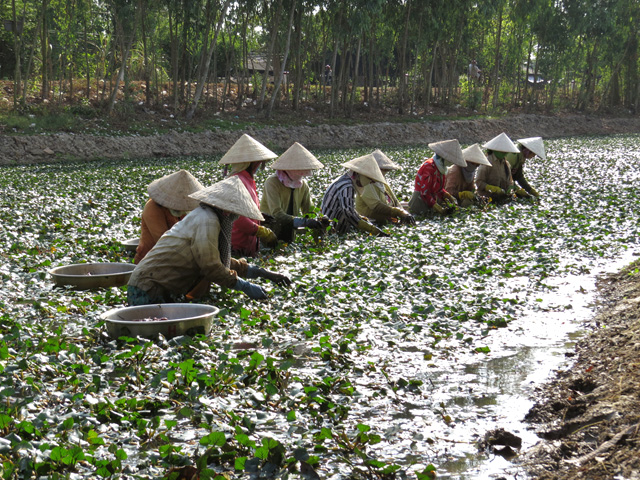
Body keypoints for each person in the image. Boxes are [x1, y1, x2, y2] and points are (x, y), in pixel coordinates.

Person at [127, 176, 291, 306]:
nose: (237, 215)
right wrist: (246, 287)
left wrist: (262, 273)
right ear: (226, 208)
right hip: (147, 289)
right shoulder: (207, 219)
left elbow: (219, 259)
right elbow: (211, 266)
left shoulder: (207, 215)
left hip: (157, 287)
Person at [220, 133, 279, 257]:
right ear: (249, 163)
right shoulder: (236, 181)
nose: (259, 166)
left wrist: (259, 216)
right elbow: (238, 219)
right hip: (236, 247)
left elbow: (246, 208)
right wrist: (261, 231)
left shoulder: (249, 180)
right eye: (257, 163)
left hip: (250, 245)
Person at [260, 142, 328, 242]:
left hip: (290, 234)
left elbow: (309, 210)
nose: (302, 174)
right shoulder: (272, 183)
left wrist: (319, 219)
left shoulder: (303, 185)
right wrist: (304, 222)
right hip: (270, 233)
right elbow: (277, 214)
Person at [134, 169, 204, 264]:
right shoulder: (152, 208)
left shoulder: (182, 206)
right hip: (151, 259)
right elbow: (163, 240)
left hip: (175, 255)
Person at [321, 153, 390, 236]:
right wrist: (372, 229)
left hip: (339, 229)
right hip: (331, 231)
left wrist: (361, 219)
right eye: (369, 179)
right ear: (359, 174)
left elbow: (349, 210)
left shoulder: (346, 181)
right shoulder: (346, 186)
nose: (370, 182)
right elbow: (348, 212)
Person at [354, 149, 415, 225]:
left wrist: (404, 213)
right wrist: (399, 212)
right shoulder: (365, 182)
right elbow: (376, 206)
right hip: (372, 219)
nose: (385, 173)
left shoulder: (381, 181)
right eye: (384, 170)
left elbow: (394, 200)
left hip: (387, 215)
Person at [408, 139, 466, 215]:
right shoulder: (429, 167)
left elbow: (439, 190)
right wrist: (439, 209)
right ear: (443, 157)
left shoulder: (442, 169)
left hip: (431, 202)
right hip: (420, 202)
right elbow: (425, 193)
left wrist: (449, 197)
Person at [475, 132, 520, 202]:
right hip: (487, 198)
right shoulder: (486, 162)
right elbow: (479, 182)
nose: (504, 152)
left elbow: (509, 182)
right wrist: (490, 188)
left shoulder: (506, 164)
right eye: (502, 150)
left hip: (501, 198)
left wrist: (511, 188)